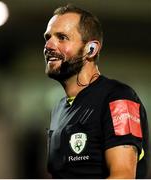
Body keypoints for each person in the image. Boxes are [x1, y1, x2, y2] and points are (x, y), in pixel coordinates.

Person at [43, 4, 149, 179]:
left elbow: (123, 176)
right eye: (47, 38)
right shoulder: (58, 109)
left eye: (62, 38)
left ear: (91, 49)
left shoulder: (118, 99)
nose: (49, 45)